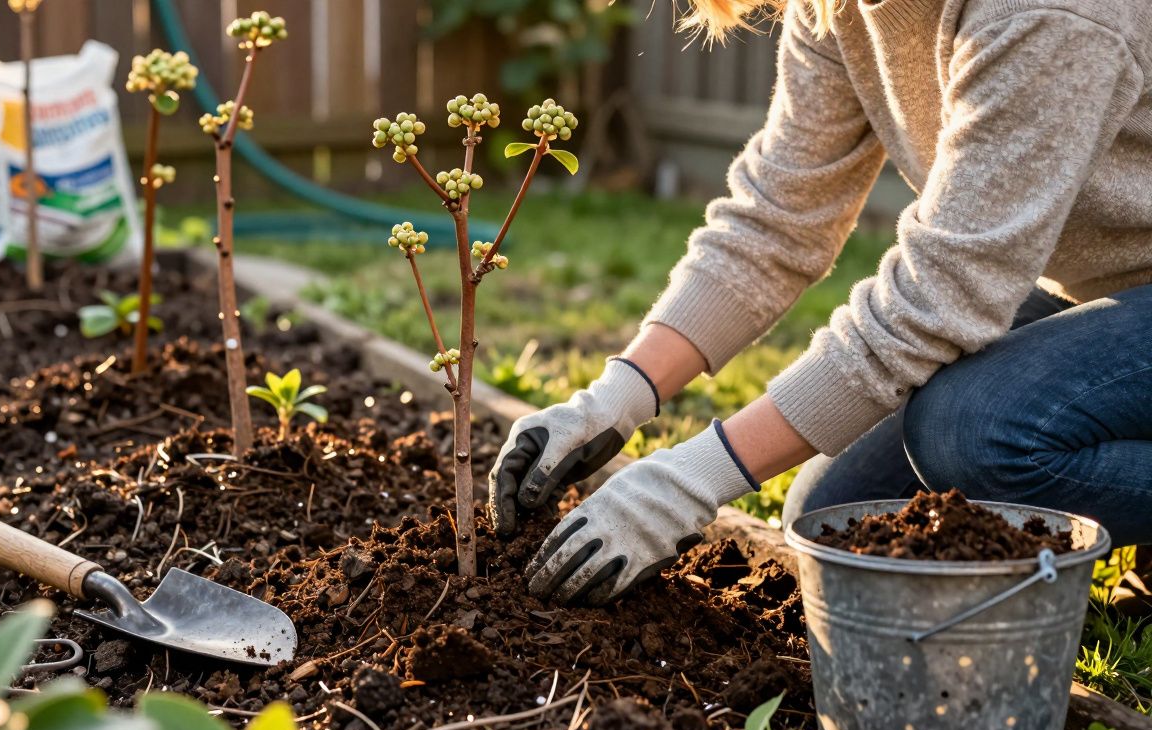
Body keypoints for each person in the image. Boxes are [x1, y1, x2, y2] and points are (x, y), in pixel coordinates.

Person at [489, 0, 1152, 605]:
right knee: (841, 512)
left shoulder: (1052, 13)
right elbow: (777, 220)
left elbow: (940, 293)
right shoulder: (839, 8)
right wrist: (616, 397)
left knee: (968, 433)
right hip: (1096, 283)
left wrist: (690, 478)